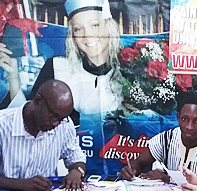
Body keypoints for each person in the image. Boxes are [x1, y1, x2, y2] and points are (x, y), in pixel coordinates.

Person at [0, 0, 129, 123]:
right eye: (78, 29)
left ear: (109, 27)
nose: (87, 35)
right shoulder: (57, 67)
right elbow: (31, 120)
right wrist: (13, 77)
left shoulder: (130, 69)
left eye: (94, 25)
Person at [0, 79, 86, 191]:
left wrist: (77, 172)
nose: (56, 124)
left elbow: (76, 158)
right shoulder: (3, 125)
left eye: (61, 119)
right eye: (53, 116)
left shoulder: (64, 124)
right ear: (37, 101)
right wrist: (22, 184)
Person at [121, 93, 197, 182]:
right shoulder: (166, 138)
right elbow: (139, 163)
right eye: (185, 119)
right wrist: (131, 170)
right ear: (178, 117)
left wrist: (168, 179)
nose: (189, 126)